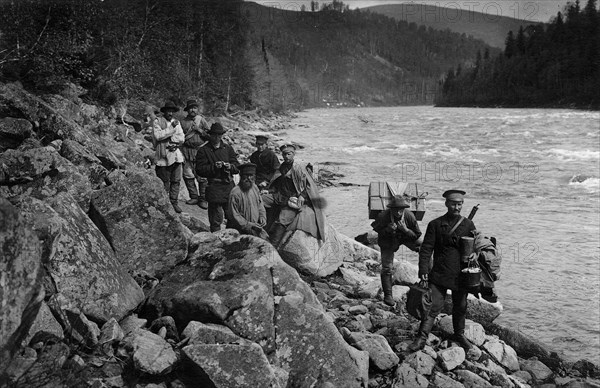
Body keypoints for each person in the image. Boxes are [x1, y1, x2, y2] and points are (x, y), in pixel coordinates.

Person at [408, 189, 477, 352]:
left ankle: (459, 335)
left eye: (460, 204)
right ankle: (421, 338)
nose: (457, 207)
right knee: (433, 307)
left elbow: (476, 245)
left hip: (461, 275)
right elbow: (426, 249)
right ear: (446, 204)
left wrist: (475, 253)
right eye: (453, 204)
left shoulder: (468, 224)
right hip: (439, 273)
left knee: (460, 306)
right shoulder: (435, 224)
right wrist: (423, 269)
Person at [262, 144, 326, 248]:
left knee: (282, 219)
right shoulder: (281, 168)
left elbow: (309, 185)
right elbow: (277, 184)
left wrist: (302, 195)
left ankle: (273, 247)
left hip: (292, 199)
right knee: (260, 200)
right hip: (279, 196)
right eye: (284, 154)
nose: (286, 156)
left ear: (294, 154)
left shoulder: (300, 167)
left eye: (289, 154)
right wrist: (269, 190)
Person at [371, 196, 422, 306]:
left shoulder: (409, 216)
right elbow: (376, 229)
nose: (398, 212)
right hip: (389, 240)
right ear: (391, 209)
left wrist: (406, 230)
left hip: (405, 237)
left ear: (404, 209)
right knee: (386, 267)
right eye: (395, 209)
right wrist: (387, 230)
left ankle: (425, 278)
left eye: (401, 209)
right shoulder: (383, 216)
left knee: (423, 247)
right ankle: (388, 295)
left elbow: (417, 235)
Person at [195, 122, 240, 232]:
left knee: (232, 216)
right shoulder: (203, 150)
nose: (217, 137)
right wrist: (214, 167)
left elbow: (237, 167)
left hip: (228, 186)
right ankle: (215, 240)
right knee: (215, 220)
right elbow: (199, 170)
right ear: (210, 135)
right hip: (214, 186)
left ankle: (231, 240)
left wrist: (230, 167)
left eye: (219, 135)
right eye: (214, 135)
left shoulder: (228, 148)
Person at [151, 101, 185, 213]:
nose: (170, 113)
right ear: (164, 111)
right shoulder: (158, 122)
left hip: (175, 154)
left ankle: (174, 202)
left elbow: (181, 138)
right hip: (163, 156)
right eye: (168, 111)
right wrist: (171, 130)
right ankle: (163, 203)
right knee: (164, 181)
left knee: (176, 180)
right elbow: (158, 136)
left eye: (172, 111)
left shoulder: (177, 122)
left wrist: (172, 142)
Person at [180, 99, 210, 209]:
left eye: (195, 108)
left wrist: (199, 130)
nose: (193, 110)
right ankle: (194, 197)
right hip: (186, 150)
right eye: (191, 108)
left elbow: (209, 136)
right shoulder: (183, 122)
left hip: (200, 151)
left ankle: (203, 199)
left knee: (202, 176)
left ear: (197, 109)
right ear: (187, 110)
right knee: (188, 174)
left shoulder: (201, 120)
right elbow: (179, 137)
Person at [226, 163, 269, 240]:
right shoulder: (235, 192)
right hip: (238, 230)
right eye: (246, 175)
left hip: (253, 228)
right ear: (241, 176)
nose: (248, 178)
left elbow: (260, 204)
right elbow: (233, 215)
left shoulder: (255, 188)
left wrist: (262, 216)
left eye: (251, 175)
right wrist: (249, 225)